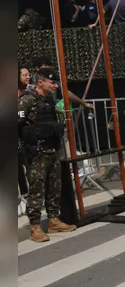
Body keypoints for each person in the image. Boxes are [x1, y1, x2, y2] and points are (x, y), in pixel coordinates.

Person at [18, 68, 77, 242]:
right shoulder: (27, 100)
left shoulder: (49, 101)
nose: (55, 85)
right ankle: (35, 227)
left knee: (54, 187)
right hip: (36, 153)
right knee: (36, 190)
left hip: (52, 150)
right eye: (52, 82)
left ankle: (53, 220)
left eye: (55, 82)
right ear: (40, 82)